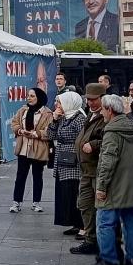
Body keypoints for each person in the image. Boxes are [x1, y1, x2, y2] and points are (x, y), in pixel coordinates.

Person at [88, 94, 133, 265]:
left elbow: (107, 161)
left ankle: (109, 260)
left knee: (105, 222)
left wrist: (101, 187)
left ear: (110, 110)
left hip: (115, 185)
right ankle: (132, 260)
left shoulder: (112, 131)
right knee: (131, 222)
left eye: (103, 110)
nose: (101, 113)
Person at [71, 84, 108, 255]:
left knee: (101, 209)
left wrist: (93, 145)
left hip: (97, 170)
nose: (90, 102)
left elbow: (110, 140)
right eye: (88, 99)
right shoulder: (91, 115)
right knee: (85, 205)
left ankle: (103, 242)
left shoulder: (106, 116)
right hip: (86, 170)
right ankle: (91, 239)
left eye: (94, 99)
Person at [48, 91, 86, 235]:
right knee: (65, 193)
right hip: (62, 158)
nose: (57, 105)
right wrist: (55, 119)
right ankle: (74, 222)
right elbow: (51, 135)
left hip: (73, 160)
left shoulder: (79, 119)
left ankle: (83, 225)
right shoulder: (63, 118)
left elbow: (82, 138)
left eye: (59, 102)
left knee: (74, 192)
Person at [10, 88, 52, 213]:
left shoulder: (47, 113)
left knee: (37, 176)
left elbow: (50, 130)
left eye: (32, 96)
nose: (29, 98)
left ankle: (36, 203)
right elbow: (14, 123)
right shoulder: (23, 110)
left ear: (39, 97)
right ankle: (16, 202)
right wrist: (20, 131)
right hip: (24, 148)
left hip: (38, 149)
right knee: (20, 176)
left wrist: (37, 134)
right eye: (28, 96)